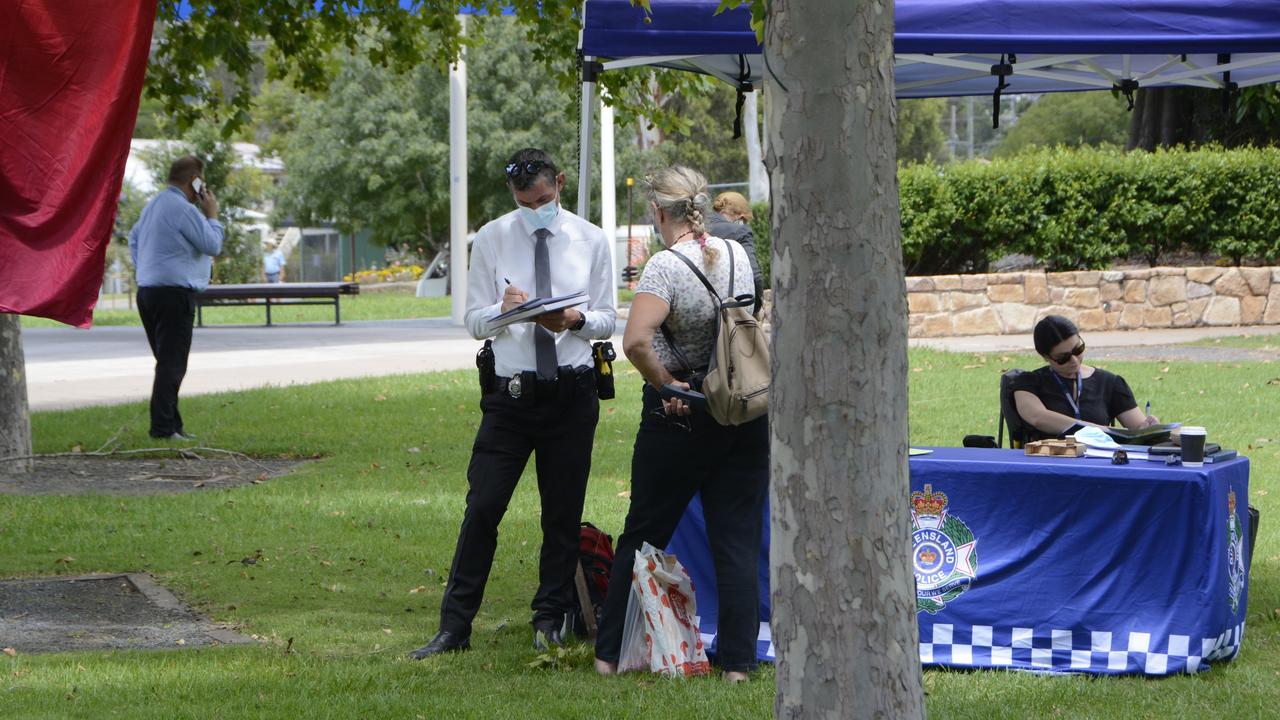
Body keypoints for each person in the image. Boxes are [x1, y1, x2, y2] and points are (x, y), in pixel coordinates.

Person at [409, 148, 617, 659]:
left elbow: (609, 317)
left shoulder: (590, 240)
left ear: (560, 184)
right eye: (525, 202)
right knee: (482, 507)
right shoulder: (493, 238)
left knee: (561, 513)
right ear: (513, 196)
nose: (535, 208)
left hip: (571, 391)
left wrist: (574, 321)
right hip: (511, 395)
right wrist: (504, 313)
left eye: (543, 199)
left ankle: (550, 617)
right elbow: (474, 323)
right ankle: (454, 627)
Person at [594, 166, 767, 682]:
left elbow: (635, 341)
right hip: (742, 411)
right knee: (737, 541)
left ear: (656, 213)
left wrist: (666, 382)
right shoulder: (738, 253)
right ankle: (737, 665)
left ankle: (608, 657)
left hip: (682, 414)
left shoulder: (663, 267)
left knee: (643, 533)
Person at [128, 155, 223, 441]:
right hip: (173, 294)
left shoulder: (153, 205)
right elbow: (212, 244)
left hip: (148, 291)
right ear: (194, 180)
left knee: (166, 362)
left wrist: (147, 267)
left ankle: (173, 425)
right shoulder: (183, 209)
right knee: (173, 364)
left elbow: (133, 239)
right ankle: (163, 429)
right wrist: (213, 215)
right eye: (200, 182)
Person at [1012, 315, 1157, 441]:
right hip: (1048, 463)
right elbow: (1038, 418)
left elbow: (1138, 431)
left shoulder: (1110, 383)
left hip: (1099, 465)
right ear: (1045, 357)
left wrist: (1149, 429)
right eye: (1063, 358)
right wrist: (1100, 430)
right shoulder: (1027, 383)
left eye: (1078, 349)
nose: (1074, 360)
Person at [708, 191, 763, 315]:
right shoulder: (740, 231)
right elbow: (754, 275)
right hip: (730, 307)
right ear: (740, 217)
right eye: (745, 220)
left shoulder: (696, 227)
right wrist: (758, 307)